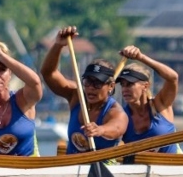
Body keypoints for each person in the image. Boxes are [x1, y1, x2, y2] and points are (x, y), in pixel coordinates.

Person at [41, 26, 128, 154]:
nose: (91, 88)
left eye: (97, 83)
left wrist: (100, 130)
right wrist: (58, 45)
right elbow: (48, 73)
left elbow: (117, 127)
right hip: (72, 168)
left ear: (111, 86)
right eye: (88, 82)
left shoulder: (115, 112)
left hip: (102, 169)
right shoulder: (76, 96)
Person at [116, 45, 181, 154]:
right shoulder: (121, 116)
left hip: (171, 168)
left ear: (145, 86)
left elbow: (173, 77)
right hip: (137, 169)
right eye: (123, 85)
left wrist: (141, 57)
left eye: (130, 84)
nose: (125, 89)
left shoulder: (161, 104)